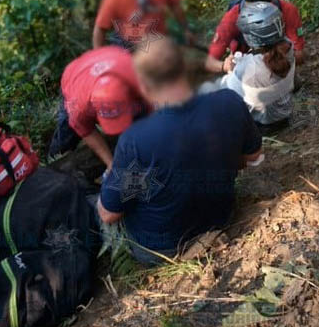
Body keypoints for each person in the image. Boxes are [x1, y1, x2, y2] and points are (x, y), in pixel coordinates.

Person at [97, 38, 262, 265]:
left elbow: (109, 214)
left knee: (97, 202)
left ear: (143, 86)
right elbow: (253, 156)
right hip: (222, 218)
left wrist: (116, 178)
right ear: (185, 68)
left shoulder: (137, 140)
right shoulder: (230, 101)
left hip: (163, 247)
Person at [47, 46, 150, 182]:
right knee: (66, 136)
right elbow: (87, 132)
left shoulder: (137, 77)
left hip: (110, 58)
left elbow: (153, 106)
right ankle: (51, 167)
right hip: (75, 75)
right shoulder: (78, 108)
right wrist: (111, 164)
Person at [203, 1, 296, 133]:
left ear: (252, 36)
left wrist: (231, 69)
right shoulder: (289, 47)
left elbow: (227, 91)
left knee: (208, 90)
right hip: (284, 113)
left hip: (262, 123)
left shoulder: (248, 68)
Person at [204, 0, 305, 74]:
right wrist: (224, 66)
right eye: (249, 9)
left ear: (271, 1)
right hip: (244, 64)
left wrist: (276, 60)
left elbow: (299, 54)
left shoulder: (287, 11)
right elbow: (209, 62)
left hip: (279, 60)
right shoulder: (232, 18)